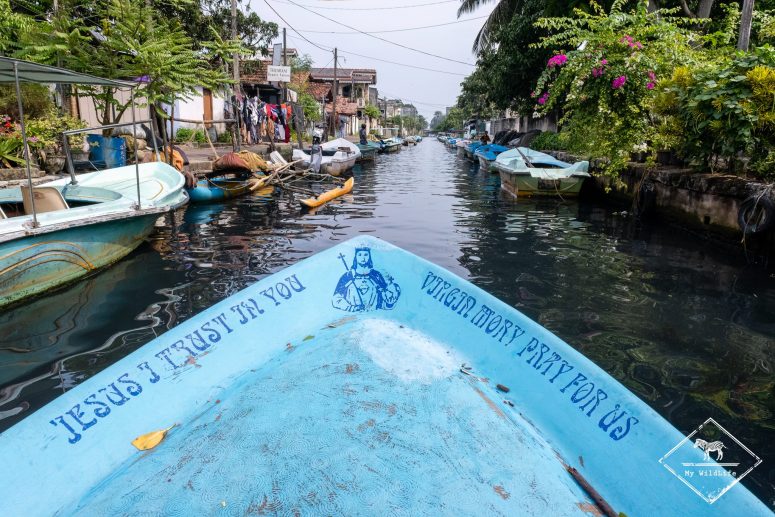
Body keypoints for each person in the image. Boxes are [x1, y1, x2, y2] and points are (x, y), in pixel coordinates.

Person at [332, 247, 401, 312]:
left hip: (373, 317)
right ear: (355, 257)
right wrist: (351, 308)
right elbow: (336, 299)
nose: (363, 258)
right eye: (360, 255)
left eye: (365, 255)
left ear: (369, 256)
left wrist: (390, 302)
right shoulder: (347, 276)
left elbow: (383, 300)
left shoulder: (376, 275)